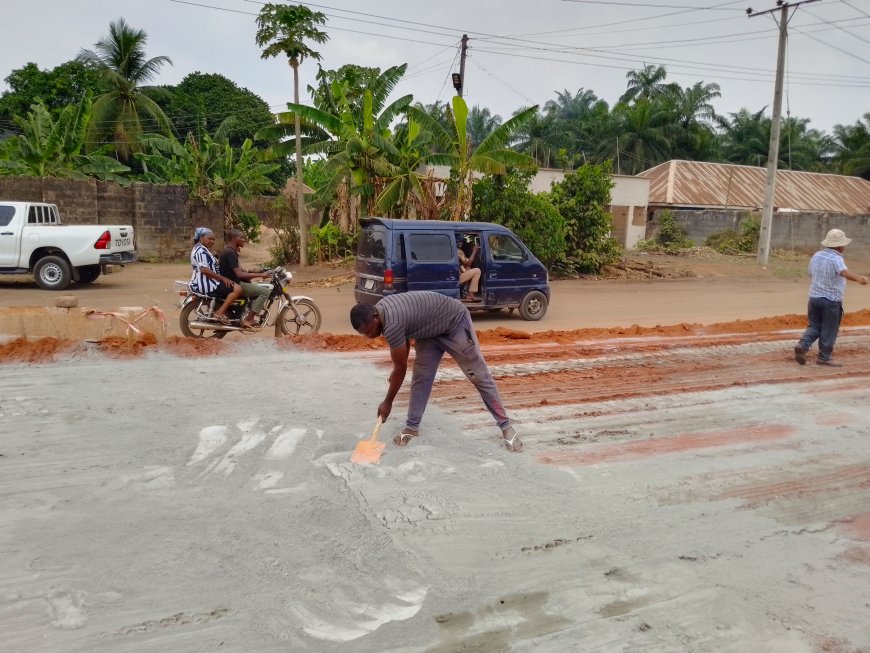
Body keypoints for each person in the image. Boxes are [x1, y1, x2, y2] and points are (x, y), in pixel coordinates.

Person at [350, 291, 522, 452]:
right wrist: (397, 370)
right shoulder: (382, 310)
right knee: (421, 377)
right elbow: (403, 345)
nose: (369, 336)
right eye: (363, 334)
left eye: (369, 330)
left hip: (453, 321)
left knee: (477, 374)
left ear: (374, 316)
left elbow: (400, 368)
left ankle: (506, 426)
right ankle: (412, 426)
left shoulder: (392, 323)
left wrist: (387, 402)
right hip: (428, 332)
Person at [794, 228, 868, 367]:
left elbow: (810, 273)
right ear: (840, 246)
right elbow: (844, 272)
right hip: (831, 300)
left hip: (814, 298)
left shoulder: (816, 255)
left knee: (814, 325)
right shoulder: (836, 258)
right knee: (829, 328)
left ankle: (803, 345)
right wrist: (859, 279)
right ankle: (824, 357)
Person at [189, 227, 243, 325]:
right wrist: (223, 278)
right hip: (208, 283)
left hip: (209, 281)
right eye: (209, 239)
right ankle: (219, 313)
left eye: (213, 239)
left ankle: (226, 311)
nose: (212, 241)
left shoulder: (203, 249)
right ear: (201, 238)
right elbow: (204, 270)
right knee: (238, 289)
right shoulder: (201, 251)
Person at [219, 229, 271, 328]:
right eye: (241, 237)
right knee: (265, 292)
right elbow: (240, 274)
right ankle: (249, 319)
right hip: (235, 284)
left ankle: (245, 313)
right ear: (234, 239)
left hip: (232, 282)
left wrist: (257, 271)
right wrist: (261, 275)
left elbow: (239, 270)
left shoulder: (229, 251)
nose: (244, 240)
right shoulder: (230, 253)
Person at [458, 236, 481, 302]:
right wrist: (474, 251)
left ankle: (468, 293)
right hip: (457, 278)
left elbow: (466, 265)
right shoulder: (458, 252)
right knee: (477, 271)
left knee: (468, 268)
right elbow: (468, 263)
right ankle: (470, 294)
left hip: (455, 276)